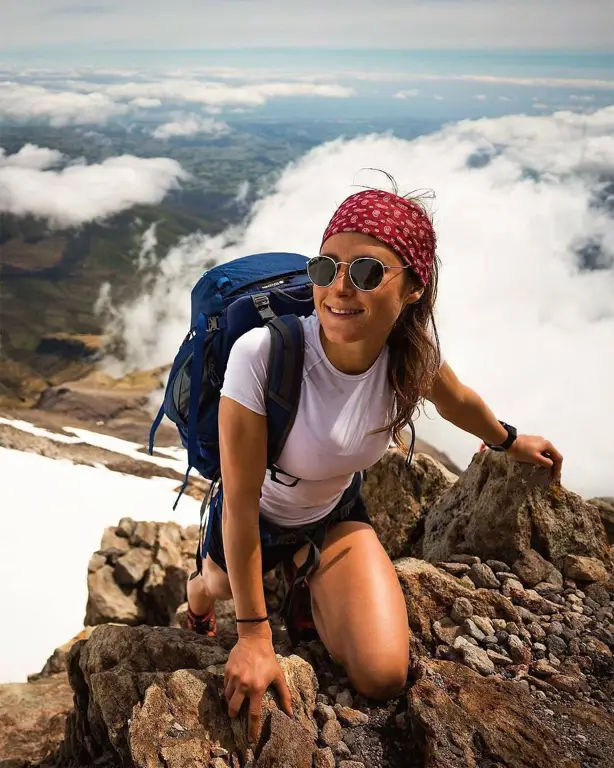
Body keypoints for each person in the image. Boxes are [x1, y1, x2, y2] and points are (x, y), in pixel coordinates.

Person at [185, 185, 563, 741]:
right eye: (325, 267)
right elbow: (239, 506)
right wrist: (253, 636)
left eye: (366, 272)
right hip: (258, 516)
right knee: (216, 586)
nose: (339, 288)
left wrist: (507, 440)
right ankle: (197, 592)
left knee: (382, 674)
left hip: (334, 511)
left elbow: (458, 400)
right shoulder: (263, 355)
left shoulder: (408, 358)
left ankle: (302, 570)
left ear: (413, 287)